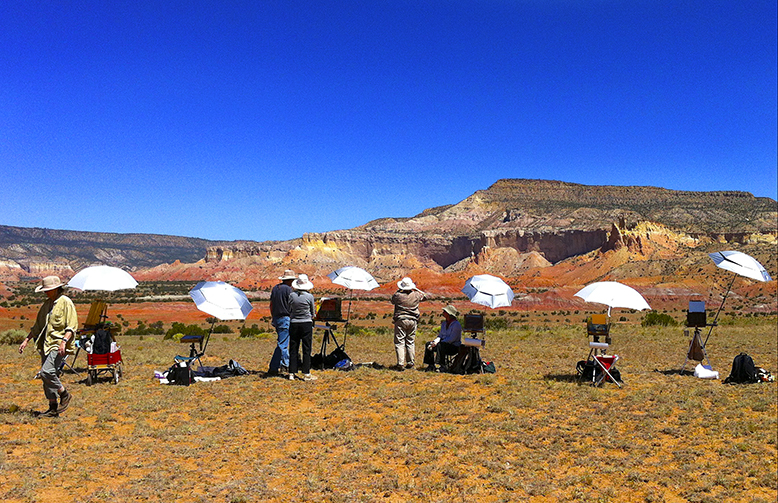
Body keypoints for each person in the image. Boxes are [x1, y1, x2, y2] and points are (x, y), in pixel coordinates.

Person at [18, 275, 78, 417]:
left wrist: (64, 342)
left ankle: (64, 394)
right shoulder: (47, 305)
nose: (46, 292)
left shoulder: (66, 303)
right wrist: (26, 340)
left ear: (57, 289)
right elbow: (38, 326)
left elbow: (71, 326)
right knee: (46, 377)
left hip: (58, 345)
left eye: (48, 290)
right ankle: (52, 408)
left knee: (46, 372)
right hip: (46, 344)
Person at [391, 277, 426, 370]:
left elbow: (392, 299)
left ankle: (400, 363)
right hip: (413, 320)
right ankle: (410, 362)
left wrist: (400, 289)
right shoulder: (416, 295)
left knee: (400, 342)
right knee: (410, 342)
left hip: (401, 320)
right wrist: (415, 289)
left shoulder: (398, 295)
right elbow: (424, 296)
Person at [287, 274, 318, 381]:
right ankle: (306, 373)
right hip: (306, 324)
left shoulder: (291, 295)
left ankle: (291, 372)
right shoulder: (310, 297)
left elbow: (289, 308)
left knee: (293, 348)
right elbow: (313, 312)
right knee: (306, 348)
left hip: (294, 323)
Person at [268, 269, 296, 376]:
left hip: (276, 317)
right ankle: (279, 366)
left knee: (282, 342)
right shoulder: (289, 290)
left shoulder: (275, 288)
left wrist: (273, 317)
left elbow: (271, 304)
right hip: (286, 318)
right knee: (283, 344)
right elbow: (292, 305)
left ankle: (280, 365)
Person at [423, 305, 462, 372]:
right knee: (428, 344)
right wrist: (434, 342)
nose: (443, 313)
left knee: (441, 345)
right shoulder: (444, 324)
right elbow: (440, 335)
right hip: (443, 344)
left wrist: (440, 343)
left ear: (449, 314)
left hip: (453, 346)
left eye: (445, 311)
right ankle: (431, 365)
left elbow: (452, 339)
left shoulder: (456, 325)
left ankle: (441, 365)